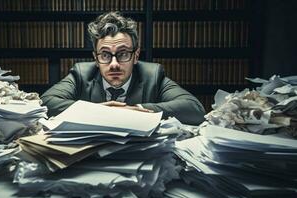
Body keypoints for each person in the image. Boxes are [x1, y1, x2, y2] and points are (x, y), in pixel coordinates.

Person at [41, 11, 205, 125]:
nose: (114, 64)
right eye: (105, 55)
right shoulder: (81, 74)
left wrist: (133, 110)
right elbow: (45, 104)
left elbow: (194, 109)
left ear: (136, 55)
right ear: (95, 59)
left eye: (123, 54)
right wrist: (96, 111)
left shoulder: (153, 75)